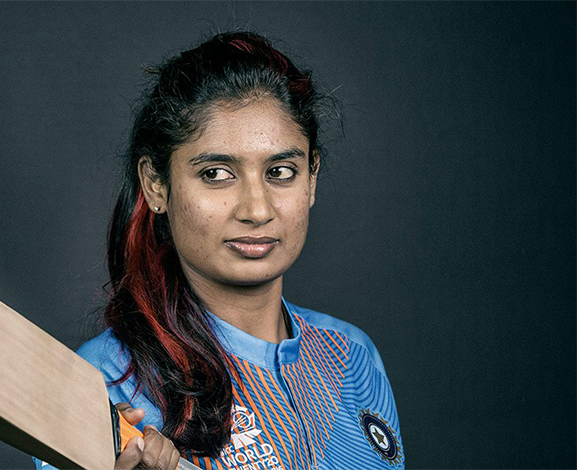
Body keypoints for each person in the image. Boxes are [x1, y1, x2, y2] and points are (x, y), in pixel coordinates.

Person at [34, 31, 403, 470]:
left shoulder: (353, 359)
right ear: (156, 184)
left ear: (312, 178)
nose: (257, 209)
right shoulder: (109, 379)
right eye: (216, 173)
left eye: (281, 171)